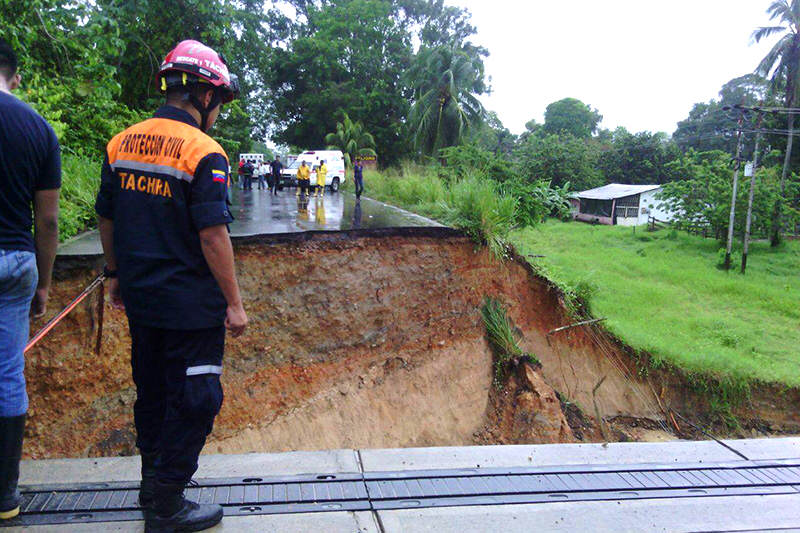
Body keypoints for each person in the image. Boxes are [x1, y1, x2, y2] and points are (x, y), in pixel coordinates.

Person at [95, 39, 247, 532]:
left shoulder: (122, 143)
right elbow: (212, 234)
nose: (219, 111)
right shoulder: (205, 152)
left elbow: (107, 216)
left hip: (143, 302)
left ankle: (151, 485)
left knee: (154, 393)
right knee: (199, 397)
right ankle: (166, 502)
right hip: (192, 309)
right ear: (204, 95)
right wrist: (234, 303)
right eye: (219, 101)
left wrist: (116, 274)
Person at [0, 37, 61, 522]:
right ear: (14, 76)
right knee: (6, 375)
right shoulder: (38, 129)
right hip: (16, 261)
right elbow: (48, 221)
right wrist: (43, 283)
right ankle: (5, 498)